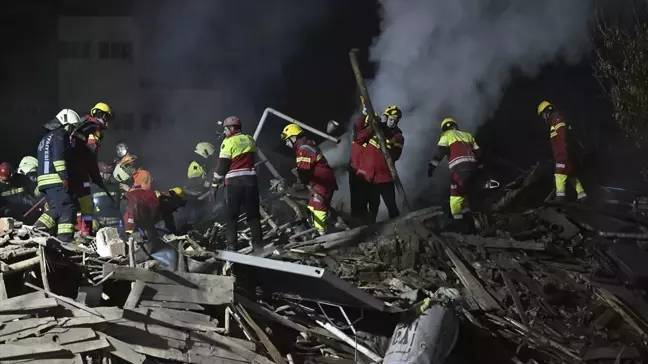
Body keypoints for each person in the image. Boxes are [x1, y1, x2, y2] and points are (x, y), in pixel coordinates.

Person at [210, 116, 263, 251]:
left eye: (225, 129)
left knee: (232, 216)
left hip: (234, 184)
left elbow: (222, 166)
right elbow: (253, 160)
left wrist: (214, 185)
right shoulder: (250, 139)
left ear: (231, 128)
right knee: (253, 216)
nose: (224, 132)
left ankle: (231, 246)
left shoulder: (228, 142)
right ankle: (258, 245)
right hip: (251, 182)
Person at [34, 109, 82, 242]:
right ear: (65, 123)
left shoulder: (45, 138)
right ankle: (64, 241)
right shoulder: (60, 135)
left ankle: (36, 230)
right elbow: (58, 159)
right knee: (68, 207)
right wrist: (64, 177)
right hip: (55, 179)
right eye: (72, 127)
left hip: (44, 181)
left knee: (56, 208)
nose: (72, 131)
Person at [281, 124, 338, 235]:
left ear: (294, 137)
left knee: (318, 208)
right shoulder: (305, 145)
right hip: (319, 182)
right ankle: (329, 227)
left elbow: (303, 171)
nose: (287, 144)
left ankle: (323, 236)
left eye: (288, 140)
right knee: (312, 206)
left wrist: (297, 185)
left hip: (322, 182)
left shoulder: (303, 149)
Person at [69, 102, 113, 237]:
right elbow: (90, 153)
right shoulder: (94, 128)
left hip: (69, 170)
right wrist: (94, 175)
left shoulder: (81, 124)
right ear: (102, 115)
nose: (107, 122)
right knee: (87, 204)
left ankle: (76, 231)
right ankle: (85, 234)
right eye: (107, 117)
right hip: (80, 172)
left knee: (74, 203)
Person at [428, 117, 482, 228]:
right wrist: (480, 166)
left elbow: (440, 152)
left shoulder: (446, 136)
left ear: (444, 129)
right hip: (473, 170)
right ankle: (472, 224)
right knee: (465, 196)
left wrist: (432, 166)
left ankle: (460, 227)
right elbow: (478, 152)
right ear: (455, 125)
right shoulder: (467, 135)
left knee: (455, 200)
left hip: (459, 171)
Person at [537, 101, 587, 202]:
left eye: (543, 114)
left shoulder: (556, 118)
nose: (543, 118)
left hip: (563, 154)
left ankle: (560, 197)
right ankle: (582, 196)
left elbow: (562, 134)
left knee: (559, 174)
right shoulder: (556, 120)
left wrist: (564, 151)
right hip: (564, 153)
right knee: (572, 175)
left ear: (547, 111)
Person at [363, 105, 404, 223]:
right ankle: (371, 230)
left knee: (391, 204)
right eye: (391, 119)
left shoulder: (398, 136)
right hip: (372, 176)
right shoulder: (376, 128)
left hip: (386, 175)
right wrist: (366, 114)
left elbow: (396, 156)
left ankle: (399, 227)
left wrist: (386, 147)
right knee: (373, 206)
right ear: (386, 117)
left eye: (396, 121)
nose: (393, 123)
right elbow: (362, 132)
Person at [121, 187, 186, 236]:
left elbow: (169, 221)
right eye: (178, 204)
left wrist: (176, 233)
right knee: (131, 237)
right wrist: (131, 229)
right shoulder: (153, 199)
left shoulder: (165, 206)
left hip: (139, 216)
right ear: (173, 198)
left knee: (153, 237)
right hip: (128, 206)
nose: (176, 208)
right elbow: (132, 207)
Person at [348, 97, 373, 224]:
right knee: (357, 199)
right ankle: (357, 220)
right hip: (355, 170)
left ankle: (366, 221)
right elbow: (358, 127)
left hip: (367, 172)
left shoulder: (374, 136)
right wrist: (364, 114)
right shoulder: (359, 134)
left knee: (367, 199)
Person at [91, 162, 122, 230]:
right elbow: (87, 206)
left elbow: (121, 206)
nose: (108, 175)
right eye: (106, 173)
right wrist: (92, 218)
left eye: (109, 173)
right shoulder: (92, 188)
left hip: (115, 222)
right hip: (98, 222)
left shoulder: (116, 187)